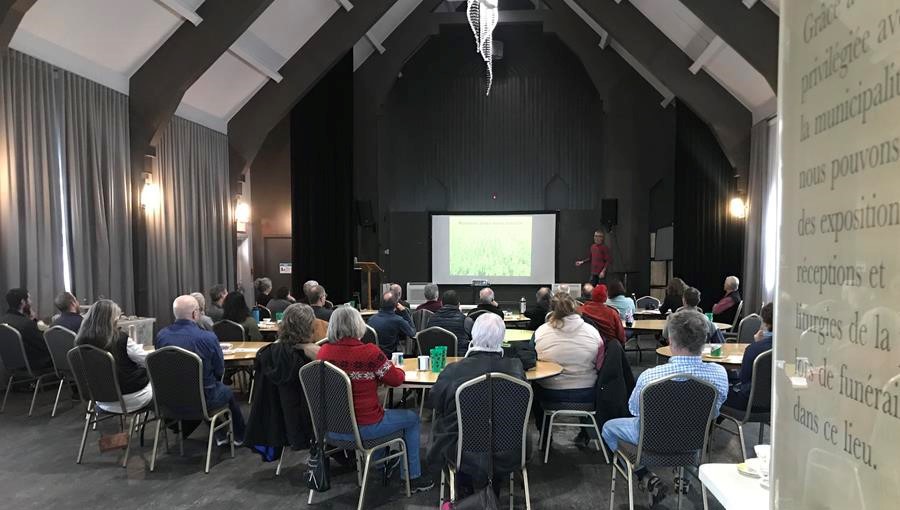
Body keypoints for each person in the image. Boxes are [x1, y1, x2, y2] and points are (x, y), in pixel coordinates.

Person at [601, 310, 728, 506]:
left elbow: (634, 410)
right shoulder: (719, 375)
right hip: (693, 444)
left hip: (650, 443)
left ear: (670, 339)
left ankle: (645, 475)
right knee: (688, 421)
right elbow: (715, 413)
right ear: (705, 339)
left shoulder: (650, 377)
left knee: (609, 427)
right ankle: (682, 471)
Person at [318, 306, 433, 492]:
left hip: (330, 430)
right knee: (411, 419)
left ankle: (382, 464)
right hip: (365, 428)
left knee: (377, 413)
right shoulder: (369, 353)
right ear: (358, 325)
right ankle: (412, 477)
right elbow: (396, 380)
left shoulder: (323, 353)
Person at [426, 313, 526, 489]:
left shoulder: (454, 370)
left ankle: (461, 491)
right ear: (502, 338)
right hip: (510, 451)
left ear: (473, 335)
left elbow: (435, 401)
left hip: (462, 452)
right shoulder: (516, 368)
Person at [156, 295, 246, 445]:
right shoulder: (208, 338)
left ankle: (221, 434)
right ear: (194, 314)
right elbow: (219, 370)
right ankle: (239, 436)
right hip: (204, 398)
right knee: (226, 391)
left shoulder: (161, 336)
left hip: (169, 399)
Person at [244, 303, 318, 457]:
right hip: (310, 425)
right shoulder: (311, 358)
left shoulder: (266, 355)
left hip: (275, 424)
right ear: (310, 327)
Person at [534, 292, 603, 436]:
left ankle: (545, 435)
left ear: (551, 310)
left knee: (533, 388)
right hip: (588, 394)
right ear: (576, 308)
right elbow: (600, 364)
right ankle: (585, 433)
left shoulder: (540, 332)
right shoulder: (593, 332)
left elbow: (533, 360)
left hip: (550, 394)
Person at [76, 300, 152, 413]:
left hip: (99, 398)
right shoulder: (121, 339)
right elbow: (147, 360)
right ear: (113, 319)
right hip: (129, 398)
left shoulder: (80, 341)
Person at [724, 302, 774, 410]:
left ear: (766, 324)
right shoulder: (789, 347)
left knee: (716, 391)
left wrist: (756, 343)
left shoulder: (754, 349)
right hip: (777, 404)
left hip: (750, 404)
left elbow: (743, 378)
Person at [2, 288, 51, 369]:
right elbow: (46, 345)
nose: (31, 302)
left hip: (11, 366)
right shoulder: (26, 324)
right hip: (34, 365)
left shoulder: (2, 321)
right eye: (29, 299)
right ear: (23, 302)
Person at [367, 291, 416, 355]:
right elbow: (412, 333)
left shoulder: (371, 319)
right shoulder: (397, 320)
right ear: (396, 305)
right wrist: (404, 312)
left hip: (374, 356)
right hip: (390, 357)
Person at [427, 290, 473, 355]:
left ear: (441, 303)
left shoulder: (431, 319)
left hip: (438, 359)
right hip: (459, 360)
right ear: (459, 305)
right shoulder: (466, 321)